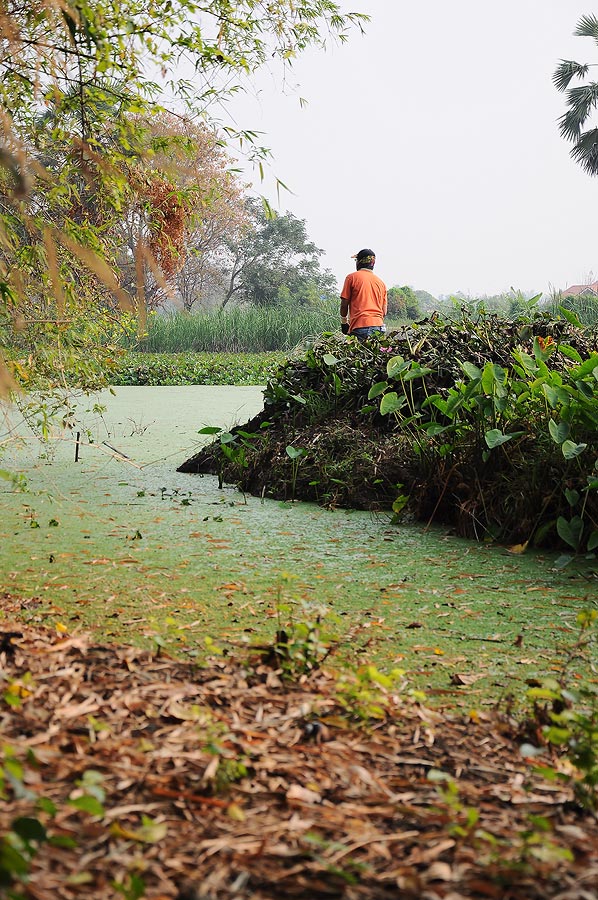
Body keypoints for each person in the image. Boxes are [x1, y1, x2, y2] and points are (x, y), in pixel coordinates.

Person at [340, 248, 387, 342]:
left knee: (356, 355)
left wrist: (344, 322)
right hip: (379, 327)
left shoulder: (352, 277)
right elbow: (384, 311)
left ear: (359, 262)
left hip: (360, 327)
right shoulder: (381, 283)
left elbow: (344, 303)